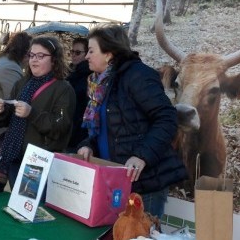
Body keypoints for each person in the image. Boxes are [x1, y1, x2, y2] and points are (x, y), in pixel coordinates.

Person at [77, 24, 187, 218]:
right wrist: (88, 144)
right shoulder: (101, 83)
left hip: (145, 184)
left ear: (109, 54)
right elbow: (106, 127)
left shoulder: (138, 75)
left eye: (91, 51)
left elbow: (167, 118)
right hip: (116, 180)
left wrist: (141, 156)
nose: (86, 56)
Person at [0, 35, 76, 189]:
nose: (34, 60)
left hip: (38, 161)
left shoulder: (63, 89)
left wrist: (32, 113)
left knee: (30, 203)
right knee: (18, 202)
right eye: (31, 55)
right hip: (14, 156)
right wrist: (0, 111)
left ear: (54, 60)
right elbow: (5, 121)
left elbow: (61, 127)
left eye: (41, 56)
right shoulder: (22, 83)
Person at [65, 37, 91, 152]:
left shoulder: (89, 76)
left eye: (78, 52)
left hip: (79, 131)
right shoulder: (71, 72)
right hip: (70, 128)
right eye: (72, 52)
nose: (73, 55)